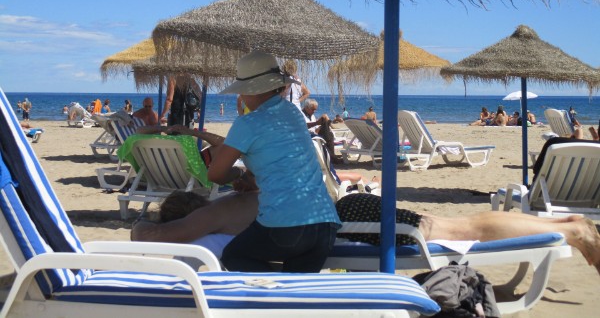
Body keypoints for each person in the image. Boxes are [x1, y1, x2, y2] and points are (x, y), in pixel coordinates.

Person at [132, 190, 600, 276]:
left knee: (461, 229)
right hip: (348, 210)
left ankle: (574, 232)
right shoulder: (239, 197)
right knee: (455, 226)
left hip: (351, 219)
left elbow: (154, 237)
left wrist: (144, 224)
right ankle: (565, 225)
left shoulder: (213, 215)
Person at [165, 50, 340, 273]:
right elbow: (280, 159)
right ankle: (277, 290)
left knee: (234, 255)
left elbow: (215, 174)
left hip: (286, 225)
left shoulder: (248, 123)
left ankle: (269, 288)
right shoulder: (293, 113)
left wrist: (238, 176)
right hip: (325, 223)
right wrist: (250, 177)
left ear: (249, 90)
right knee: (294, 284)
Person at [302, 98, 341, 163]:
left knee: (328, 133)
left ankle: (332, 157)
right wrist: (316, 123)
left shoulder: (312, 115)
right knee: (328, 135)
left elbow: (315, 127)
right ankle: (333, 158)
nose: (314, 111)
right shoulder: (301, 114)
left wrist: (319, 126)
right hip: (308, 135)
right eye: (313, 109)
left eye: (315, 110)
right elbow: (303, 126)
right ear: (306, 107)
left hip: (315, 133)